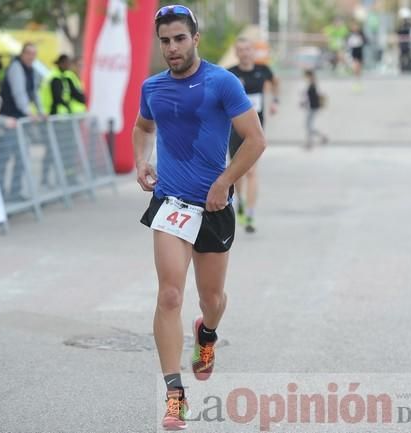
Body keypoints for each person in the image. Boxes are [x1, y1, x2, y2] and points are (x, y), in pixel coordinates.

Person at [133, 5, 265, 430]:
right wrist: (141, 162)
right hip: (171, 203)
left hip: (213, 208)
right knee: (169, 295)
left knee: (212, 300)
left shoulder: (222, 82)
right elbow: (142, 127)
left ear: (195, 39)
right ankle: (175, 394)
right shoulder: (152, 87)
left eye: (179, 39)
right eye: (165, 41)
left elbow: (255, 140)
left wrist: (225, 182)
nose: (172, 48)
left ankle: (206, 334)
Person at [227, 37, 279, 233]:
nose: (245, 53)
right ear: (236, 52)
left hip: (255, 129)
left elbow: (275, 84)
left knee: (252, 171)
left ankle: (250, 213)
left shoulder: (263, 70)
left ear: (252, 51)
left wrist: (275, 102)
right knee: (237, 171)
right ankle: (239, 202)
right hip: (234, 129)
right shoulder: (230, 74)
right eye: (240, 50)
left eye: (248, 49)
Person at [0, 42, 44, 201]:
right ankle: (0, 191)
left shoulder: (32, 71)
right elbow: (19, 93)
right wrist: (29, 112)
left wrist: (41, 111)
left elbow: (34, 92)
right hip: (10, 118)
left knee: (21, 156)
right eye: (29, 53)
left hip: (21, 120)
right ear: (22, 54)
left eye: (34, 54)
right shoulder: (16, 68)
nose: (31, 57)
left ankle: (15, 192)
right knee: (5, 157)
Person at [39, 54, 86, 186]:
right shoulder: (54, 78)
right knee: (52, 149)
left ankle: (67, 178)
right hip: (53, 120)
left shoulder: (65, 77)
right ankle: (45, 178)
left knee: (67, 149)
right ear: (59, 63)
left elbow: (75, 95)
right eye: (66, 63)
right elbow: (58, 98)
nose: (68, 66)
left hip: (63, 120)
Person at [301, 69, 327, 148]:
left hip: (313, 107)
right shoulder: (311, 84)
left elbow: (316, 96)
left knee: (309, 126)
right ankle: (321, 137)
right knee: (309, 126)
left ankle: (310, 142)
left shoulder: (313, 84)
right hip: (312, 107)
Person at [347, 22, 367, 88]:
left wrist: (361, 38)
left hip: (359, 50)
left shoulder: (361, 34)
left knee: (359, 66)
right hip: (353, 51)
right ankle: (356, 78)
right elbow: (347, 42)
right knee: (355, 64)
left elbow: (366, 41)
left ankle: (358, 78)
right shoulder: (350, 34)